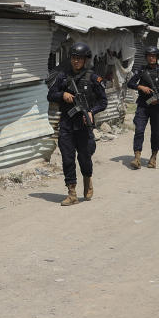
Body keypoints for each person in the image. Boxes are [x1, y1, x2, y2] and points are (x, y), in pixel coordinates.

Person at [46, 42, 108, 205]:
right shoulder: (62, 76)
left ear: (85, 60)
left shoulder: (93, 78)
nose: (76, 61)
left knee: (85, 157)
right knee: (67, 158)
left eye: (79, 58)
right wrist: (62, 95)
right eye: (73, 57)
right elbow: (50, 95)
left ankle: (87, 179)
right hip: (67, 123)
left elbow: (103, 101)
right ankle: (71, 192)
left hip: (83, 125)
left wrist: (91, 112)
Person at [126, 46, 159, 169]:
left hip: (157, 107)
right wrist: (140, 87)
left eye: (154, 56)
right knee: (139, 130)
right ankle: (137, 157)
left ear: (157, 57)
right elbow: (130, 83)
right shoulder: (141, 71)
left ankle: (153, 157)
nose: (151, 58)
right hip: (143, 105)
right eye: (149, 56)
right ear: (146, 57)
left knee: (155, 133)